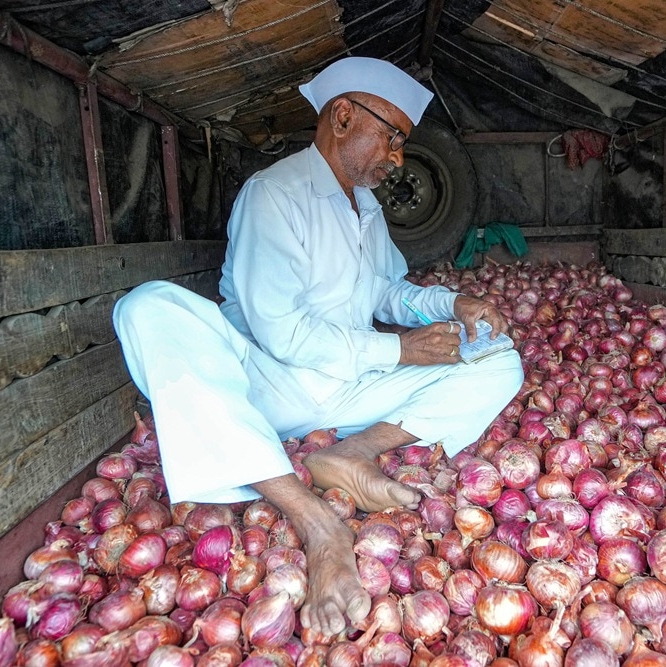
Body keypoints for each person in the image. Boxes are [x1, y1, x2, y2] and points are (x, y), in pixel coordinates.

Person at [112, 57, 523, 638]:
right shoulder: (273, 195)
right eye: (392, 137)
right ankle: (319, 524)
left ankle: (352, 453)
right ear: (344, 116)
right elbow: (283, 330)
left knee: (499, 360)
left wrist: (452, 307)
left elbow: (387, 291)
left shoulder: (367, 205)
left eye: (402, 143)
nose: (397, 158)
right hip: (268, 387)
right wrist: (399, 353)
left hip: (350, 389)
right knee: (146, 307)